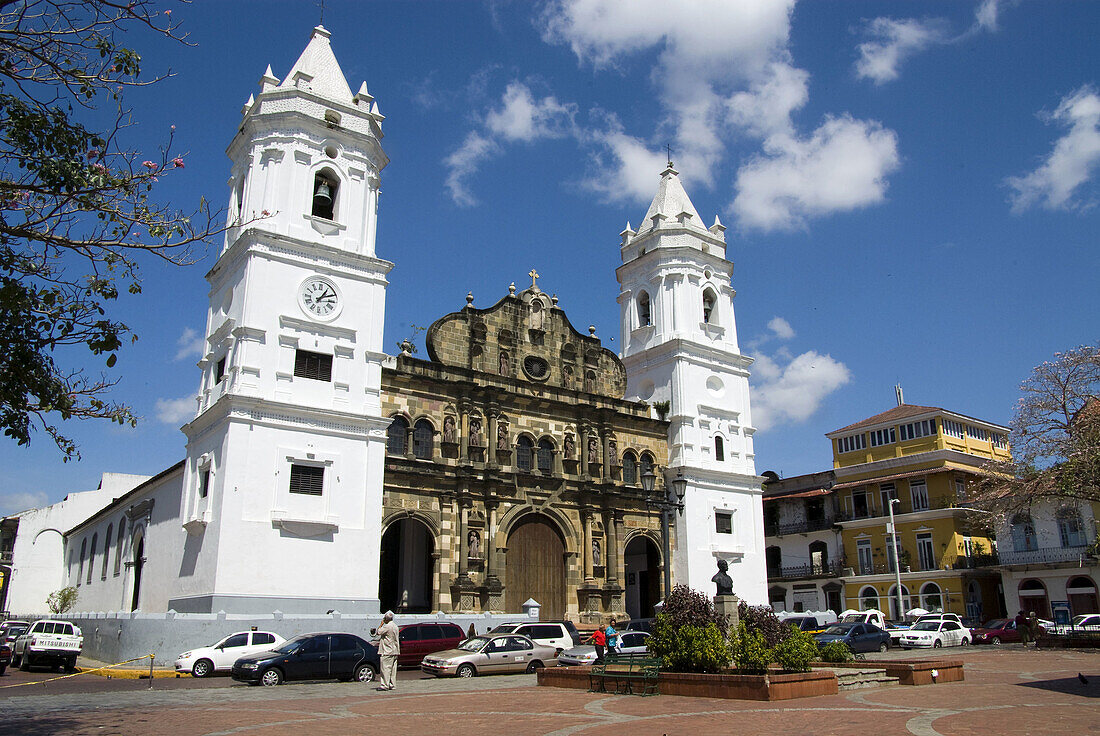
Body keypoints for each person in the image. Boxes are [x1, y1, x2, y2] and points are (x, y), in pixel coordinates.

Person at [376, 611, 400, 690]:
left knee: (385, 669)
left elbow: (378, 632)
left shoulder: (387, 626)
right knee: (393, 670)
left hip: (387, 650)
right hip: (395, 650)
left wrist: (381, 624)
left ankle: (385, 685)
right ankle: (392, 685)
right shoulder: (395, 626)